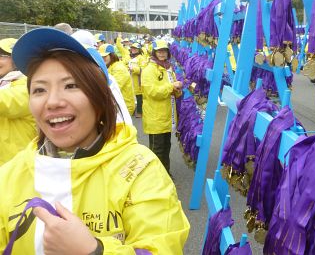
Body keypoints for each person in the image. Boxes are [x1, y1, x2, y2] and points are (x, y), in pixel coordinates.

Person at [0, 28, 190, 254]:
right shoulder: (10, 175)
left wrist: (94, 250)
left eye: (71, 86)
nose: (52, 102)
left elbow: (161, 246)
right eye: (39, 89)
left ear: (100, 98)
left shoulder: (140, 169)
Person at [141, 40, 183, 174]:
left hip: (167, 117)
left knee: (166, 147)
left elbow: (174, 91)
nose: (162, 53)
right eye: (159, 51)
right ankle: (156, 179)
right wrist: (172, 87)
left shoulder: (169, 68)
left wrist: (177, 89)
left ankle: (166, 174)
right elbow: (151, 92)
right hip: (155, 118)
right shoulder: (149, 70)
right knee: (157, 150)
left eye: (164, 50)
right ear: (154, 52)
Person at [0, 38, 37, 166]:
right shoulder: (4, 83)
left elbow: (6, 101)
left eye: (2, 55)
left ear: (18, 60)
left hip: (19, 166)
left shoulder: (29, 85)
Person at [99, 43, 136, 116]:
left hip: (123, 106)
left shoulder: (119, 69)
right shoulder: (110, 66)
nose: (103, 59)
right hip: (117, 105)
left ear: (112, 55)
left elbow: (111, 89)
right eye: (101, 56)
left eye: (105, 56)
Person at [129, 43, 147, 118]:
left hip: (138, 81)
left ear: (139, 50)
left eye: (135, 48)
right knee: (133, 96)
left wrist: (133, 69)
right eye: (132, 48)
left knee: (139, 97)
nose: (133, 50)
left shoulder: (141, 58)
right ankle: (133, 110)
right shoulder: (131, 57)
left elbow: (143, 69)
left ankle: (140, 112)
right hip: (131, 80)